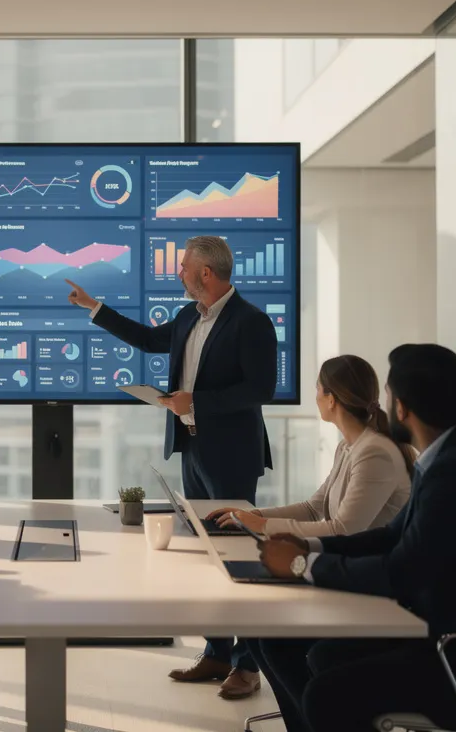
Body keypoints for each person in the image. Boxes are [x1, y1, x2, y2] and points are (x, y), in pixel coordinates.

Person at [252, 344, 456, 732]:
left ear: (402, 408)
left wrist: (303, 565)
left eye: (388, 393)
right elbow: (390, 536)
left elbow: (400, 572)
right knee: (293, 646)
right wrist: (309, 547)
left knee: (325, 693)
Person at [65, 235, 278, 690]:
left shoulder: (251, 322)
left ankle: (248, 665)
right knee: (205, 553)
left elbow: (260, 390)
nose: (177, 273)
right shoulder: (187, 316)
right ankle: (217, 653)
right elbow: (147, 340)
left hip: (232, 455)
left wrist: (194, 400)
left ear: (206, 273)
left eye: (184, 267)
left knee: (236, 556)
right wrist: (94, 308)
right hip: (193, 448)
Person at [204, 354, 411, 700]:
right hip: (344, 569)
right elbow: (315, 507)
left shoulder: (374, 452)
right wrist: (250, 514)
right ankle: (305, 717)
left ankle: (312, 715)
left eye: (317, 389)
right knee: (257, 630)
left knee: (268, 632)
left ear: (331, 398)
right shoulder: (351, 446)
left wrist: (264, 525)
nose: (315, 396)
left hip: (364, 581)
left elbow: (345, 529)